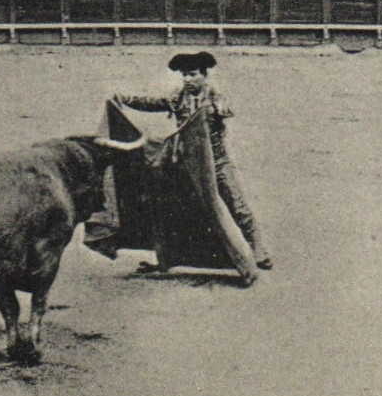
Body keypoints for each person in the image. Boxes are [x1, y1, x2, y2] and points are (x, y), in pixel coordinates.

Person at [113, 51, 272, 272]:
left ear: (204, 76)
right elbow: (154, 102)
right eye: (184, 76)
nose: (187, 80)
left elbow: (226, 107)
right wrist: (127, 99)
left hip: (216, 161)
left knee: (237, 205)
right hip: (188, 164)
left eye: (192, 75)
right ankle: (166, 259)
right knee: (173, 211)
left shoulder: (215, 95)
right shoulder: (179, 96)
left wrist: (221, 109)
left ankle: (259, 250)